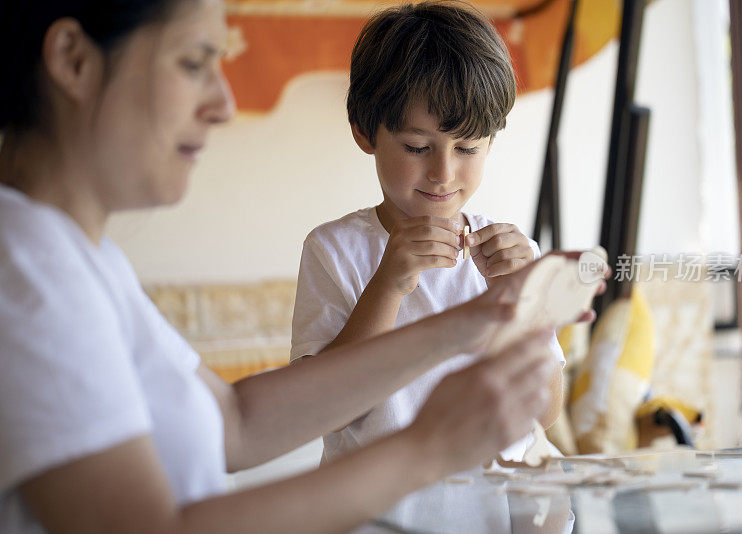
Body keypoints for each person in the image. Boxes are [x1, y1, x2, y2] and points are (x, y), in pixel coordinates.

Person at [0, 1, 571, 532]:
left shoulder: (80, 257)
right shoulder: (25, 270)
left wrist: (475, 321)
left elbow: (235, 421)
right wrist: (428, 449)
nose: (224, 103)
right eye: (194, 61)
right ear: (74, 61)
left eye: (468, 147)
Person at [291, 0, 566, 464]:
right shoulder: (335, 250)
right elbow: (320, 413)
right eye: (417, 146)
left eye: (467, 147)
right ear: (364, 132)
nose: (443, 172)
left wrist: (522, 306)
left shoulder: (514, 256)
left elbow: (546, 409)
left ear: (491, 143)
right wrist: (388, 284)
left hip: (498, 513)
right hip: (377, 511)